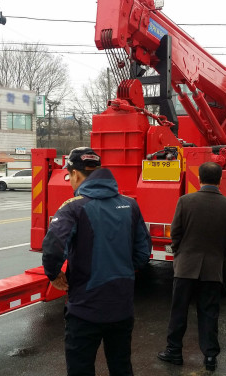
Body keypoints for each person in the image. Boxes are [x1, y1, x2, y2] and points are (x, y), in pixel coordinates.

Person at [42, 147, 151, 376]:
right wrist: (122, 271)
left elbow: (53, 248)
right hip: (121, 306)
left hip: (85, 308)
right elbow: (143, 252)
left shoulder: (73, 207)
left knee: (81, 368)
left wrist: (54, 275)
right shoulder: (130, 205)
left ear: (75, 174)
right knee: (121, 366)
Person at [157, 162, 226, 372]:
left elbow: (175, 233)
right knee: (209, 313)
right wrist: (221, 255)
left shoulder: (185, 201)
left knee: (178, 311)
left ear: (199, 179)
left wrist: (179, 253)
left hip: (185, 266)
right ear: (220, 180)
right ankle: (210, 357)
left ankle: (174, 351)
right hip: (212, 269)